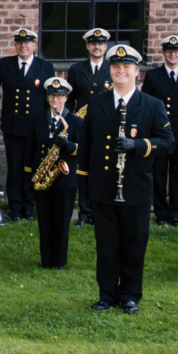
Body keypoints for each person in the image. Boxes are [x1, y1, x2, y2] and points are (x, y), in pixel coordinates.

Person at [81, 44, 173, 314]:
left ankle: (130, 295)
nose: (121, 71)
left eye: (127, 67)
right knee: (107, 245)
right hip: (103, 186)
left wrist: (139, 146)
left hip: (135, 186)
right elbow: (86, 144)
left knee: (134, 245)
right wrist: (84, 182)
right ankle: (106, 295)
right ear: (110, 71)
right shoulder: (96, 103)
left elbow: (168, 143)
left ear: (137, 72)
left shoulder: (152, 105)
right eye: (116, 67)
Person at [0, 28, 55, 222]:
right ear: (15, 44)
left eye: (27, 42)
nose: (23, 46)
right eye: (20, 42)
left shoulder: (45, 67)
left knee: (32, 167)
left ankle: (28, 207)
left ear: (34, 45)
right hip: (13, 126)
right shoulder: (5, 64)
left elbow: (50, 99)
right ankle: (15, 208)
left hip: (35, 127)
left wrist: (51, 123)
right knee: (14, 169)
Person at [138, 34, 178, 227]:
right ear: (163, 53)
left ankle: (176, 212)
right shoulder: (153, 75)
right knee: (159, 173)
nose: (173, 54)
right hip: (159, 133)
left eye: (176, 51)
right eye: (169, 51)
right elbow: (146, 104)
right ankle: (160, 211)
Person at [66, 28, 114, 227]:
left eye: (101, 43)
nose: (97, 47)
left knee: (102, 168)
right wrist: (68, 123)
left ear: (106, 46)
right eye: (93, 43)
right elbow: (68, 101)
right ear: (87, 46)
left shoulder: (113, 68)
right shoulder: (77, 69)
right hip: (82, 126)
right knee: (83, 167)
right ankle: (84, 213)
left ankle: (100, 211)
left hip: (106, 125)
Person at [34, 76, 81, 270]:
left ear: (66, 98)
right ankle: (46, 260)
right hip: (43, 177)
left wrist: (68, 146)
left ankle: (59, 261)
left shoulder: (76, 121)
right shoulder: (37, 118)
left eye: (59, 96)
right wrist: (31, 175)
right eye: (52, 95)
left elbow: (84, 149)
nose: (55, 100)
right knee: (44, 220)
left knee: (62, 221)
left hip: (65, 179)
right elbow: (31, 147)